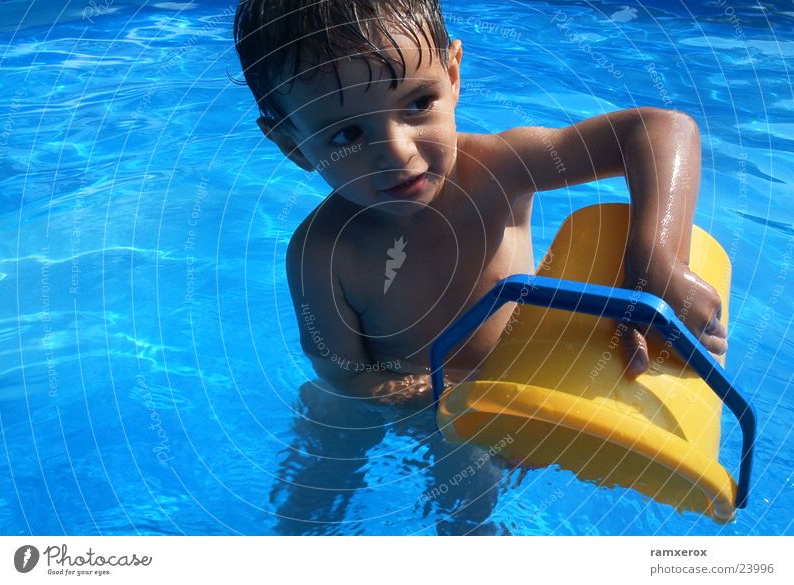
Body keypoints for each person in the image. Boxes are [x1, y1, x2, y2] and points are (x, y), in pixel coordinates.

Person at [233, 0, 727, 407]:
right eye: (347, 133)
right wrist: (438, 397)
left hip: (530, 385)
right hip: (424, 407)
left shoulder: (502, 170)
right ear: (293, 145)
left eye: (417, 104)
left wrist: (657, 260)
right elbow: (344, 375)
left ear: (452, 75)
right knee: (318, 485)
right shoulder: (320, 254)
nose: (397, 153)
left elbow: (661, 129)